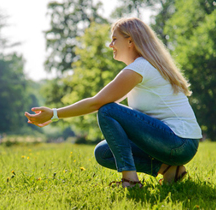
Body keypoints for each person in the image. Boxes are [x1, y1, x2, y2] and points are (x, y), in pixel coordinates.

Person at [25, 17, 202, 188]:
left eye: (114, 39)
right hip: (180, 144)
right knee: (103, 152)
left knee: (107, 110)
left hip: (179, 142)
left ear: (130, 41)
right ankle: (169, 169)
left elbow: (97, 103)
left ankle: (130, 181)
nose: (110, 45)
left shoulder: (140, 67)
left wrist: (55, 114)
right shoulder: (145, 65)